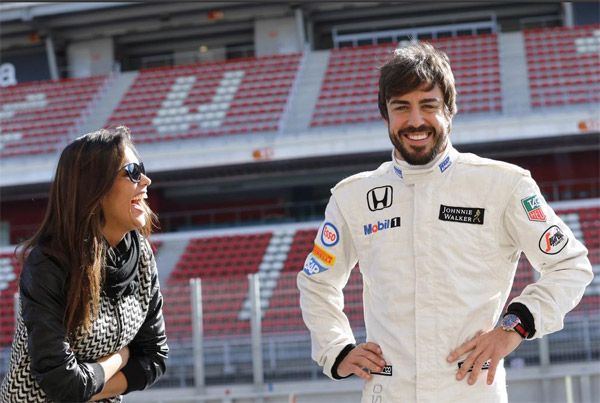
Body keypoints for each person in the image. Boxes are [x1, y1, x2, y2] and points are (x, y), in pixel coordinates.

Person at [297, 42, 593, 402]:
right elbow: (316, 281)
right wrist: (337, 350)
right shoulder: (352, 197)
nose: (416, 121)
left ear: (449, 110)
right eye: (401, 107)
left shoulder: (504, 185)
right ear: (385, 115)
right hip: (388, 393)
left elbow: (571, 265)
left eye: (428, 105)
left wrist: (515, 326)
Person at [0, 126, 169, 402]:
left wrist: (89, 388)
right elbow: (63, 384)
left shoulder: (141, 255)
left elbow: (154, 358)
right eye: (133, 172)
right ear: (94, 188)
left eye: (143, 168)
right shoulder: (49, 264)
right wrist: (122, 357)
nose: (146, 181)